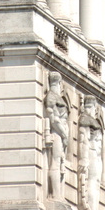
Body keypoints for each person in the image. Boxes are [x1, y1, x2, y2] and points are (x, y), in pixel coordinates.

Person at [44, 71, 69, 199]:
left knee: (59, 164)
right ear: (59, 83)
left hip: (59, 134)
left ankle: (58, 194)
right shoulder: (52, 97)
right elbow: (54, 118)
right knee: (55, 162)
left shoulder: (54, 97)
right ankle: (55, 195)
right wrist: (64, 135)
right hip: (57, 134)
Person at [78, 95, 103, 210]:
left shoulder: (90, 120)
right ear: (94, 107)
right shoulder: (85, 120)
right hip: (92, 155)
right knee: (93, 183)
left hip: (96, 155)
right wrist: (84, 158)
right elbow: (83, 140)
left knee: (95, 183)